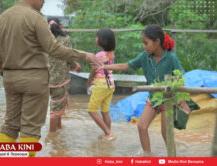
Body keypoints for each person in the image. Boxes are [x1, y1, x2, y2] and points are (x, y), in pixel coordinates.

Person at [0, 0, 101, 157]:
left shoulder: (2, 18)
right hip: (34, 79)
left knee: (10, 124)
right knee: (30, 128)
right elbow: (53, 48)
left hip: (10, 78)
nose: (43, 2)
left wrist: (7, 73)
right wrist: (83, 55)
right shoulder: (36, 18)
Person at [95, 24, 190, 154]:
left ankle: (172, 158)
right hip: (153, 98)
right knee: (141, 126)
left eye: (146, 43)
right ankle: (147, 156)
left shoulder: (171, 58)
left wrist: (183, 101)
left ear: (157, 42)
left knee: (166, 133)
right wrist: (104, 67)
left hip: (168, 100)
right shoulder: (145, 56)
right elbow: (125, 66)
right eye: (143, 43)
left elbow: (180, 78)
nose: (144, 47)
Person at [48, 18, 81, 133]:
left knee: (56, 104)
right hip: (59, 80)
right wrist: (76, 66)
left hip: (45, 79)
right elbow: (69, 56)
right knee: (56, 108)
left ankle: (58, 129)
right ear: (60, 26)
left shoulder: (44, 40)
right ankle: (51, 137)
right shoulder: (66, 39)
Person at [87, 29, 116, 140]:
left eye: (97, 37)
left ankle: (108, 133)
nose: (96, 38)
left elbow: (93, 72)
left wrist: (88, 83)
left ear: (102, 41)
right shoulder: (112, 54)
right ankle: (107, 134)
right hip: (111, 85)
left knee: (92, 110)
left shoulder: (98, 55)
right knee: (105, 111)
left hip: (101, 85)